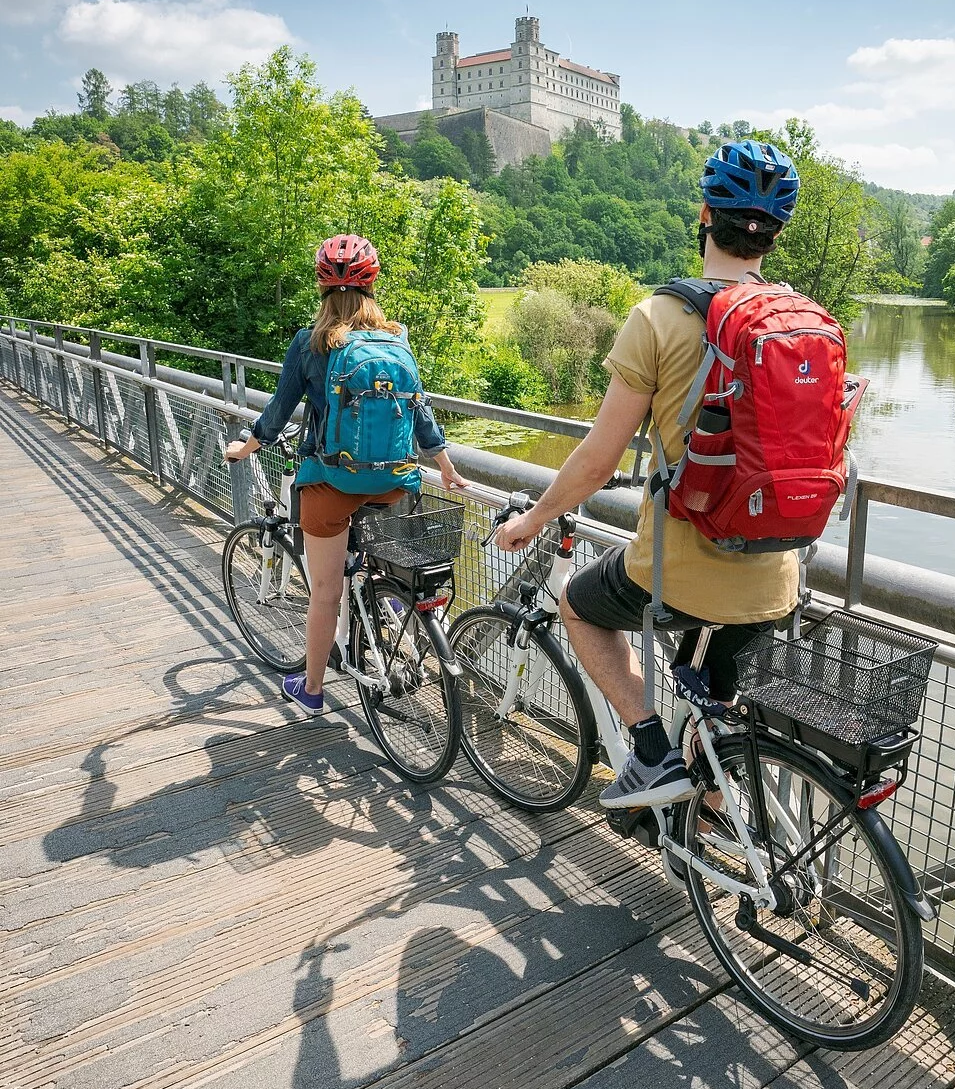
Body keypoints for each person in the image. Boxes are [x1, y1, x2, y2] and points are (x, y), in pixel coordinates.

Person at [495, 140, 801, 808]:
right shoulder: (801, 323)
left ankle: (652, 752)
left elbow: (597, 461)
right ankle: (717, 835)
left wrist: (534, 518)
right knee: (714, 712)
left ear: (702, 214)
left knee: (578, 605)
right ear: (773, 237)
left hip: (684, 568)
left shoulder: (659, 317)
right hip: (776, 574)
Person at [225, 234, 464, 716]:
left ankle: (312, 690)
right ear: (372, 283)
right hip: (395, 480)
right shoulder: (397, 338)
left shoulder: (311, 342)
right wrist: (444, 464)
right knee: (387, 558)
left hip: (332, 483)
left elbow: (279, 410)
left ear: (320, 285)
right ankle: (395, 612)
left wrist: (246, 446)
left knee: (327, 591)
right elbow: (419, 408)